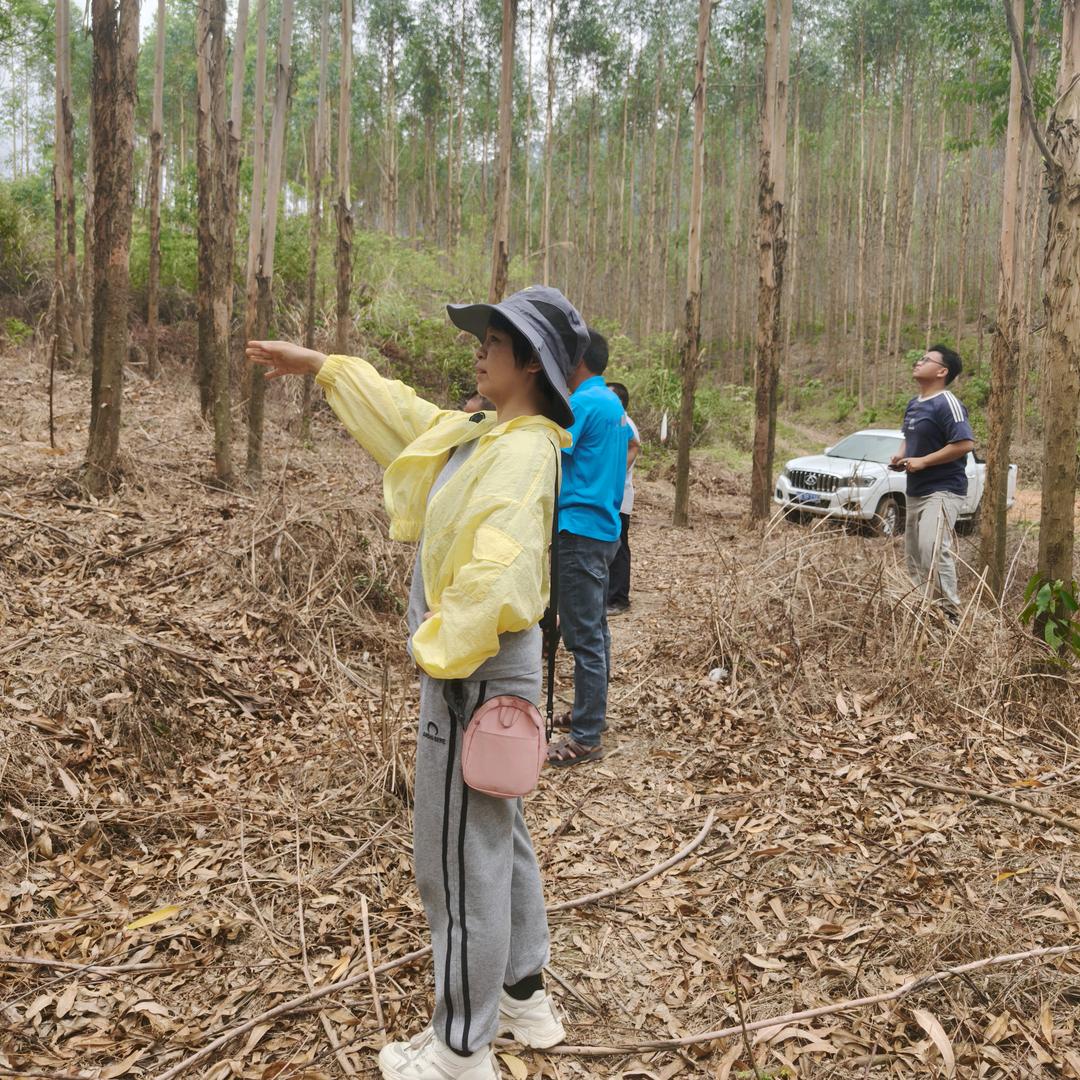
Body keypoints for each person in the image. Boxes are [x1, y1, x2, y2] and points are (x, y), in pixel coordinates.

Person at [246, 284, 588, 1080]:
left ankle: (461, 1050)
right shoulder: (481, 431)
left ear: (530, 361)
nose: (477, 347)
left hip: (473, 669)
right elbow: (405, 418)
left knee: (455, 859)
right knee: (500, 836)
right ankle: (524, 995)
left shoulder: (524, 452)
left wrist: (438, 653)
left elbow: (501, 568)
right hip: (486, 668)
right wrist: (325, 367)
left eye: (494, 338)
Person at [546, 328, 628, 768]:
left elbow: (551, 449)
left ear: (576, 360)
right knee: (595, 630)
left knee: (583, 638)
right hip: (604, 529)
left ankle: (586, 737)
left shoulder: (581, 404)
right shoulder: (612, 403)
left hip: (580, 530)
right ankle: (588, 714)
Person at [890, 343, 975, 620]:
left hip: (943, 489)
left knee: (933, 549)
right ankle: (925, 612)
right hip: (915, 490)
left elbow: (964, 443)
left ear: (942, 371)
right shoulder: (914, 404)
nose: (918, 362)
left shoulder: (947, 403)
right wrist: (901, 456)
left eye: (925, 359)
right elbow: (909, 436)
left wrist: (924, 461)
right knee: (914, 557)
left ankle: (950, 615)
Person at [605, 381, 640, 616]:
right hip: (609, 496)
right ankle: (610, 595)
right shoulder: (613, 422)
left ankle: (619, 599)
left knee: (619, 547)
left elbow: (633, 448)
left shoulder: (626, 424)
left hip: (619, 496)